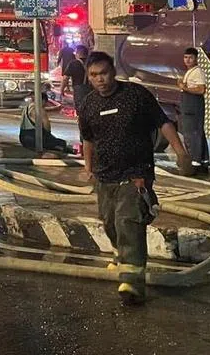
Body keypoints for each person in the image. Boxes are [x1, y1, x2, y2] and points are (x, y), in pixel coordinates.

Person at [80, 52, 190, 306]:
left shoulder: (136, 96)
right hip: (105, 175)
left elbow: (163, 123)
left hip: (135, 173)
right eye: (94, 75)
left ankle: (133, 281)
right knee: (109, 221)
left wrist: (180, 151)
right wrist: (88, 168)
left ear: (113, 71)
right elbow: (87, 138)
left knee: (127, 220)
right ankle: (122, 255)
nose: (101, 80)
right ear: (88, 77)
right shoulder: (88, 104)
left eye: (104, 73)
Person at [177, 48, 210, 176]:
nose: (187, 60)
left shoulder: (198, 72)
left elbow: (201, 89)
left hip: (193, 105)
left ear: (196, 58)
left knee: (193, 134)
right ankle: (203, 162)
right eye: (185, 57)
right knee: (197, 133)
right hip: (188, 105)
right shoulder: (190, 71)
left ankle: (195, 163)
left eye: (190, 57)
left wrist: (183, 87)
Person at [61, 45, 92, 111]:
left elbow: (65, 79)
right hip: (92, 89)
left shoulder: (73, 63)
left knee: (80, 110)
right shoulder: (92, 63)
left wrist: (62, 90)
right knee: (90, 108)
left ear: (78, 53)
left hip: (79, 91)